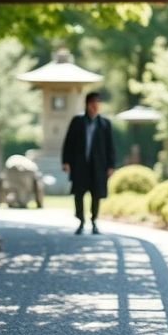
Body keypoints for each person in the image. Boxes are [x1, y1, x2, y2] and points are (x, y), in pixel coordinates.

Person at [61, 92, 116, 235]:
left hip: (98, 166)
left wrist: (110, 165)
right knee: (79, 193)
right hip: (80, 165)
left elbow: (110, 146)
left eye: (98, 103)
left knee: (96, 194)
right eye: (93, 103)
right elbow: (68, 143)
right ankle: (80, 220)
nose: (96, 107)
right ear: (87, 104)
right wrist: (66, 161)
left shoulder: (104, 124)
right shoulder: (77, 122)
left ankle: (94, 220)